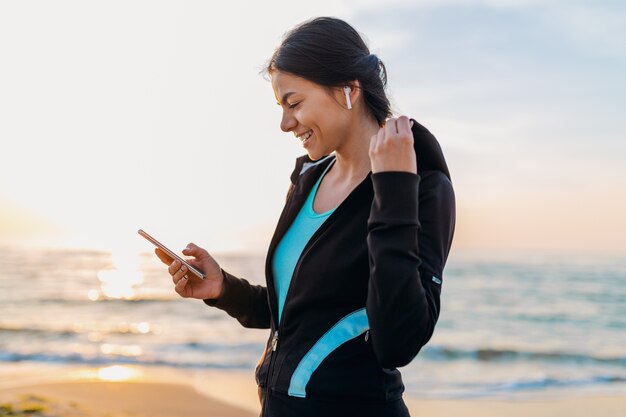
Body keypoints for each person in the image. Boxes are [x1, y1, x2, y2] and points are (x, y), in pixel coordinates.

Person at [156, 16, 456, 417]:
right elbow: (299, 313)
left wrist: (394, 188)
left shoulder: (420, 188)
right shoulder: (307, 178)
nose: (285, 124)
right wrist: (223, 289)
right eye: (282, 107)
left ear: (347, 90)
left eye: (294, 103)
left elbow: (398, 341)